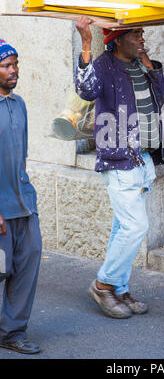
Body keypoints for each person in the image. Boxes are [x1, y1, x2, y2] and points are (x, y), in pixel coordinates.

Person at [75, 17, 164, 319]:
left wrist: (148, 62)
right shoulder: (104, 65)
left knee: (123, 227)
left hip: (142, 158)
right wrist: (87, 43)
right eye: (135, 34)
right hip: (119, 160)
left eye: (142, 33)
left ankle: (119, 288)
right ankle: (104, 284)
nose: (142, 39)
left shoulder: (139, 64)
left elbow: (160, 99)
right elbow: (86, 90)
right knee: (135, 227)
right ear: (117, 39)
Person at [0, 39, 42, 354]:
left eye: (15, 64)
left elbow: (23, 156)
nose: (13, 71)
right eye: (5, 65)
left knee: (26, 268)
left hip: (25, 206)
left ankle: (12, 332)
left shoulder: (19, 104)